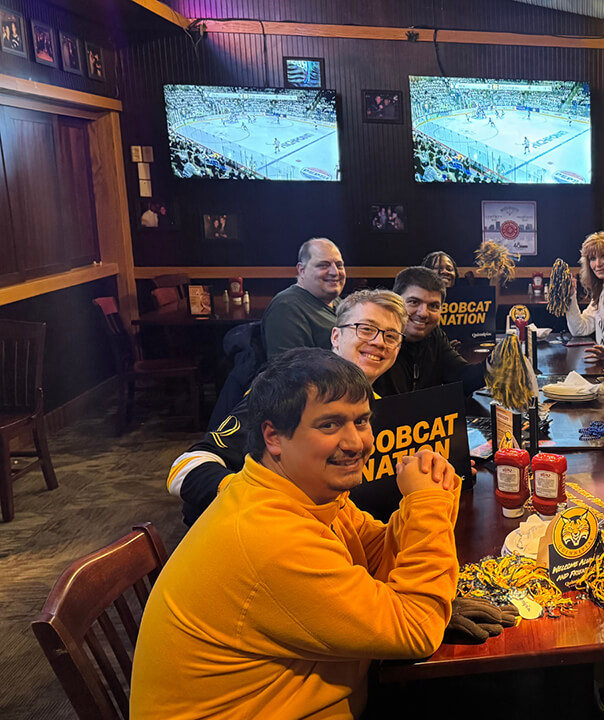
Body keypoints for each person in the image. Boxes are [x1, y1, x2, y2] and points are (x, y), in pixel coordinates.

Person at [133, 349, 461, 719]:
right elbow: (416, 629)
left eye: (362, 420)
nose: (356, 442)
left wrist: (426, 499)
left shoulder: (298, 491)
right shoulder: (271, 535)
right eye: (330, 425)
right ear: (273, 436)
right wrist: (428, 503)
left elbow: (374, 554)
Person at [168, 290, 407, 526]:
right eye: (365, 329)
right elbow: (189, 465)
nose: (378, 342)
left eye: (391, 336)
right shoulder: (293, 386)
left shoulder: (380, 403)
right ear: (335, 336)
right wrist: (266, 504)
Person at [374, 266, 485, 396]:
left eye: (433, 306)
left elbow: (462, 379)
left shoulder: (435, 335)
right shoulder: (374, 339)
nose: (423, 313)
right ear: (395, 302)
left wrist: (495, 363)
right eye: (414, 302)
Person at [262, 238, 346, 358]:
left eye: (339, 265)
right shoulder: (286, 307)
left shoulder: (338, 302)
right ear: (302, 270)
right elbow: (290, 370)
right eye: (323, 265)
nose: (335, 272)